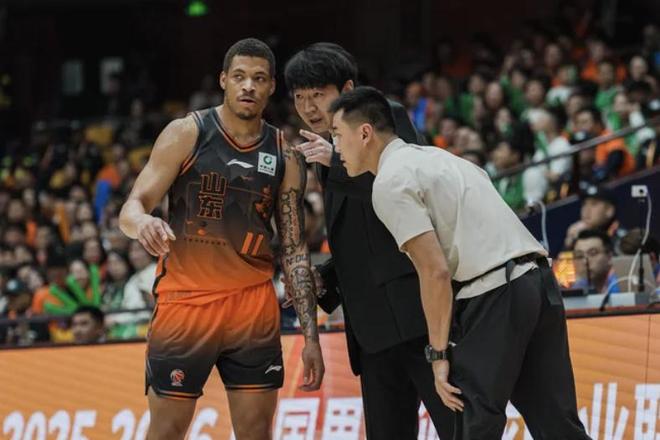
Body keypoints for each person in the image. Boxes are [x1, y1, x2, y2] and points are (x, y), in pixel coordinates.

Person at [330, 86, 589, 439]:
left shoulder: (389, 182)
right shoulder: (443, 158)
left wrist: (437, 355)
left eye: (337, 134)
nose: (335, 147)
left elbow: (434, 271)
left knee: (474, 423)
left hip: (495, 292)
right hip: (539, 282)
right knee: (558, 424)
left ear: (364, 133)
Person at [119, 38, 324, 440]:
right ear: (223, 80)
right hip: (186, 303)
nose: (249, 86)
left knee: (256, 433)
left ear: (271, 87)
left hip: (252, 307)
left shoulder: (286, 155)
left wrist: (311, 336)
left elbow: (295, 250)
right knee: (166, 431)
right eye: (240, 76)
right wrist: (141, 222)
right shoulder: (186, 133)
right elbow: (132, 206)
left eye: (259, 78)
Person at [284, 43, 454, 439]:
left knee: (459, 429)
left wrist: (335, 161)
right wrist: (325, 277)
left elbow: (405, 189)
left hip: (418, 318)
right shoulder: (328, 150)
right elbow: (365, 234)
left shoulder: (385, 116)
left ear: (347, 89)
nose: (308, 107)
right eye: (299, 97)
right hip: (371, 331)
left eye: (318, 94)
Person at [571, 230, 620, 294]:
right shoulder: (579, 285)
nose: (585, 262)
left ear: (609, 257)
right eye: (579, 256)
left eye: (593, 253)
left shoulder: (622, 284)